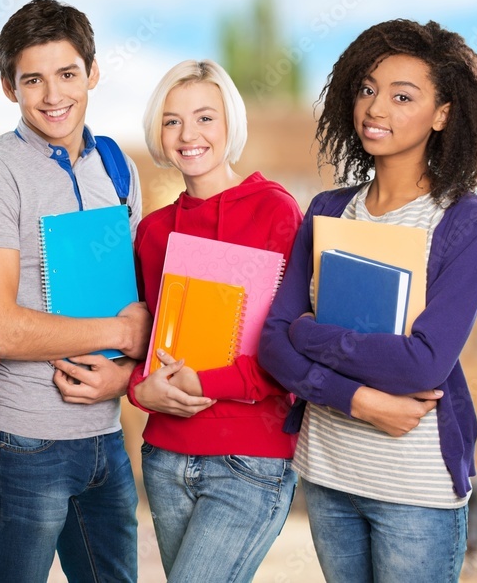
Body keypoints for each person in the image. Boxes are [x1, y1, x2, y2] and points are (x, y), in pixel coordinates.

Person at [259, 19, 477, 582]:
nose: (376, 108)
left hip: (413, 490)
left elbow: (423, 362)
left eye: (403, 97)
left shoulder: (465, 223)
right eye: (368, 89)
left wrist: (310, 334)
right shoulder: (326, 208)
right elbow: (273, 342)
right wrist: (361, 400)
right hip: (328, 472)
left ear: (442, 114)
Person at [0, 0, 151, 583]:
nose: (53, 94)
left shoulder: (117, 166)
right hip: (19, 443)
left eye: (67, 74)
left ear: (92, 72)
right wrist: (122, 333)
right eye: (32, 79)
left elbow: (132, 295)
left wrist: (120, 372)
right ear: (9, 87)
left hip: (105, 440)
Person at [126, 59, 302, 581]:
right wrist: (141, 391)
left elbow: (288, 350)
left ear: (230, 126)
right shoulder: (153, 232)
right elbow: (145, 344)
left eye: (205, 118)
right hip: (165, 458)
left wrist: (205, 381)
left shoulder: (276, 211)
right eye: (173, 120)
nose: (188, 135)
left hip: (249, 459)